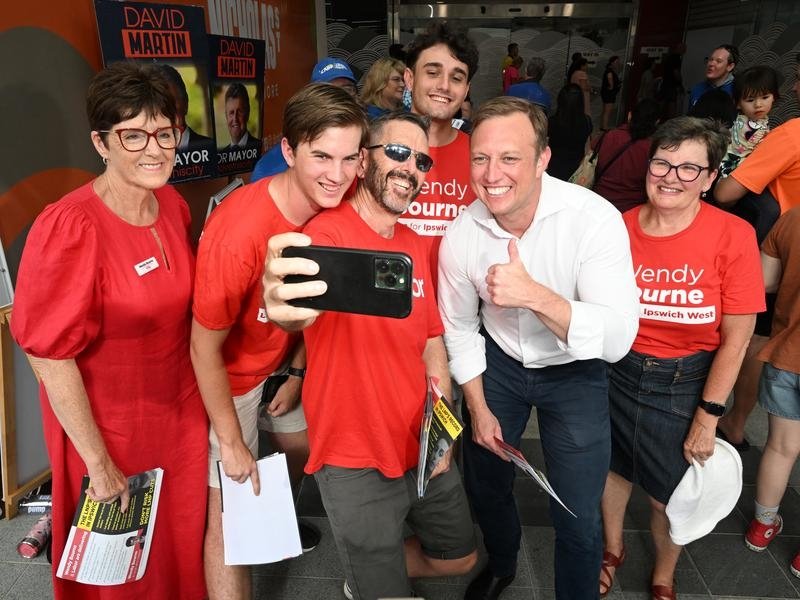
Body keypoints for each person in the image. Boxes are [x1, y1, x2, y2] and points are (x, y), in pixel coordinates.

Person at [10, 61, 208, 600]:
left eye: (166, 132)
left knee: (180, 547)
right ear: (102, 142)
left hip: (180, 415)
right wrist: (97, 462)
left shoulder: (171, 205)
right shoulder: (71, 225)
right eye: (133, 134)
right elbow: (49, 356)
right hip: (109, 429)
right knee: (122, 574)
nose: (155, 148)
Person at [262, 111, 478, 600]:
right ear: (363, 161)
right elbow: (296, 311)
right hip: (353, 452)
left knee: (459, 558)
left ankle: (369, 576)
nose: (411, 168)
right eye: (397, 153)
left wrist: (439, 430)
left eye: (421, 160)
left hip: (420, 443)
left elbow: (430, 341)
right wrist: (283, 304)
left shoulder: (414, 245)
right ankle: (372, 581)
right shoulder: (326, 238)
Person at [437, 96, 639, 600]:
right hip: (499, 363)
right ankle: (502, 564)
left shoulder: (593, 219)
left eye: (510, 158)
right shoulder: (462, 234)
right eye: (480, 158)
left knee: (575, 507)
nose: (491, 174)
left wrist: (535, 296)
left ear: (544, 158)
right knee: (485, 482)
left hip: (575, 371)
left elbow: (617, 340)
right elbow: (460, 328)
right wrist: (478, 409)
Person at [191, 83, 368, 600]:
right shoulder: (238, 233)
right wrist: (231, 443)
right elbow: (203, 348)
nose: (338, 175)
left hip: (282, 365)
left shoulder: (339, 202)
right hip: (233, 377)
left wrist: (295, 371)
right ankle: (248, 518)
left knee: (302, 450)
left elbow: (316, 305)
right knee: (228, 517)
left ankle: (272, 514)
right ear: (288, 152)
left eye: (348, 158)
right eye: (321, 157)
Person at [599, 117, 765, 600]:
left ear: (712, 178)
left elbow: (737, 339)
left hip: (685, 380)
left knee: (667, 491)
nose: (672, 176)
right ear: (647, 166)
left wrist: (709, 416)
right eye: (663, 163)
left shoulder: (732, 235)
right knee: (613, 468)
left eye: (690, 168)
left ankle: (664, 574)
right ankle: (613, 548)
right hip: (616, 369)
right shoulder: (618, 228)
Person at [743, 208, 800, 581]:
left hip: (787, 352)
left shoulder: (794, 218)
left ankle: (762, 528)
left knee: (781, 447)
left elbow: (764, 279)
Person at [399, 21, 479, 284]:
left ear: (465, 90)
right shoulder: (376, 149)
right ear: (410, 79)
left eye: (456, 78)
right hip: (389, 311)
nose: (444, 86)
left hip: (458, 315)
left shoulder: (480, 156)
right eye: (433, 72)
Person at [251, 57, 358, 181]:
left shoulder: (371, 142)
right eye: (330, 91)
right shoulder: (272, 165)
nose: (341, 98)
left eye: (347, 89)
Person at [592, 98, 660, 213]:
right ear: (656, 123)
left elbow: (591, 158)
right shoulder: (654, 151)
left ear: (629, 116)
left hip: (598, 203)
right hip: (630, 211)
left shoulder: (608, 136)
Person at [719, 65, 780, 178]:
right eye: (750, 100)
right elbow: (743, 152)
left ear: (774, 97)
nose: (758, 105)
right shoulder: (746, 127)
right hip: (734, 171)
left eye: (765, 97)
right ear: (738, 104)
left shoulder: (759, 120)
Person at [159, 64, 214, 150]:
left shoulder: (209, 147)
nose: (167, 110)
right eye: (160, 103)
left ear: (185, 104)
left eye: (172, 102)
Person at [547, 83, 593, 181]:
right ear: (581, 102)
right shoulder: (587, 122)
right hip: (576, 169)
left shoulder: (552, 122)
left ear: (560, 101)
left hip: (554, 168)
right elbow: (588, 149)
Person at [688, 44, 738, 110]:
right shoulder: (697, 89)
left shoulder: (738, 91)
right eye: (711, 59)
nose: (711, 64)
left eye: (718, 61)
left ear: (730, 66)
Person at [222, 83, 261, 151]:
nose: (235, 119)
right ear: (226, 116)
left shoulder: (260, 148)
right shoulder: (221, 154)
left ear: (247, 113)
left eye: (239, 112)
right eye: (231, 113)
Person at [600, 56, 622, 131]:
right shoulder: (609, 71)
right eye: (616, 62)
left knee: (605, 110)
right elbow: (610, 82)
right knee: (607, 111)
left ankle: (603, 126)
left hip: (607, 93)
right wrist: (612, 87)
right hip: (609, 94)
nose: (618, 63)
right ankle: (604, 127)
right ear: (612, 63)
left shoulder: (609, 70)